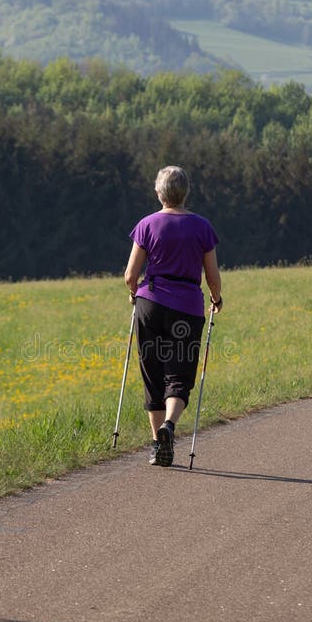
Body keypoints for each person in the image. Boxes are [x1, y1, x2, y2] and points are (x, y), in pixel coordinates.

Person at [124, 165, 222, 467]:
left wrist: (134, 294)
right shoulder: (202, 227)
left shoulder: (147, 225)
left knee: (152, 373)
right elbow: (212, 277)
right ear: (186, 192)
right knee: (179, 374)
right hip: (187, 307)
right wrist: (216, 299)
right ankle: (169, 424)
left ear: (158, 192)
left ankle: (157, 446)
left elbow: (130, 275)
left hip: (150, 304)